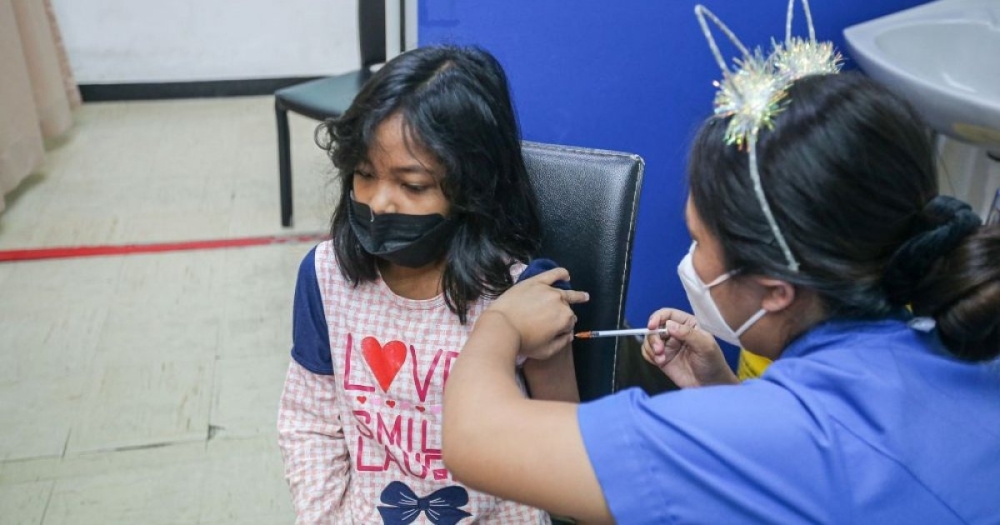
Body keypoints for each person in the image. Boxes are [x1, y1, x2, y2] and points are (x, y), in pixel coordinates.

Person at [440, 70, 1000, 524]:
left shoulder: (774, 437)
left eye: (699, 240)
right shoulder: (959, 337)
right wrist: (724, 391)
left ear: (776, 291)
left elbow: (474, 440)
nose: (691, 258)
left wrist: (502, 323)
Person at [277, 45, 577, 524]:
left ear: (471, 187)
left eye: (412, 186)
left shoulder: (520, 291)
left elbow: (564, 454)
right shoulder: (325, 275)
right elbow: (309, 423)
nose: (378, 203)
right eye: (364, 174)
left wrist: (545, 347)